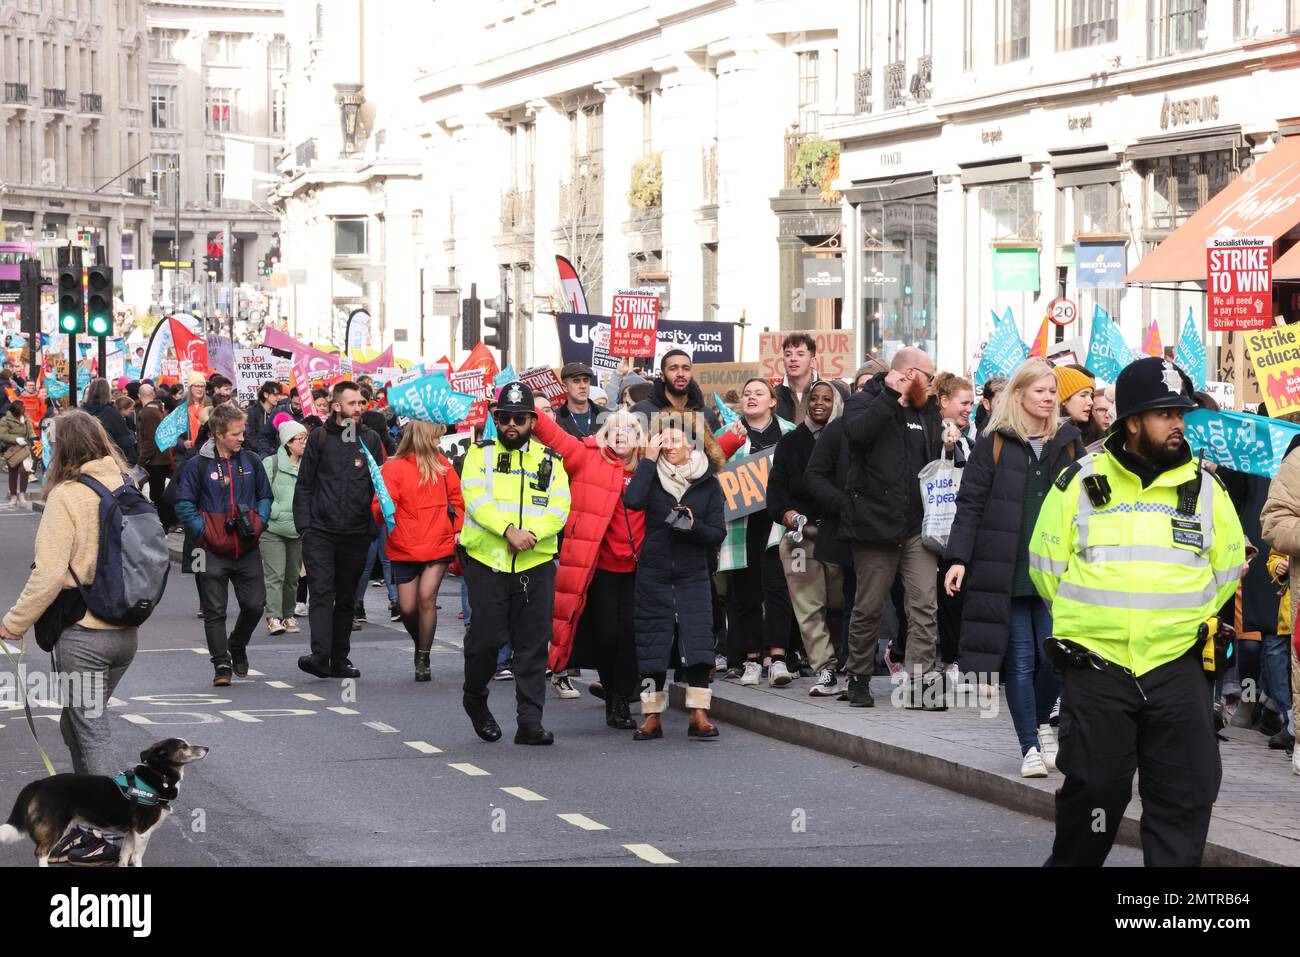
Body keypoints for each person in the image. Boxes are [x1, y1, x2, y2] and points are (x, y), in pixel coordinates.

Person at [1030, 357, 1246, 866]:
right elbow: (1046, 568)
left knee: (1185, 795)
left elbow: (1227, 570)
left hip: (1178, 666)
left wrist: (1171, 624)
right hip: (1097, 666)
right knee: (1093, 794)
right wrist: (1099, 622)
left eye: (1181, 413)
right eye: (1164, 413)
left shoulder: (1208, 491)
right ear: (1131, 422)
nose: (1178, 423)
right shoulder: (1078, 483)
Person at [0, 411, 141, 865]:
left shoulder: (67, 495)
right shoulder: (127, 485)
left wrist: (13, 623)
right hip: (125, 633)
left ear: (62, 447)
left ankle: (113, 834)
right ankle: (91, 826)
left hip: (84, 635)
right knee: (74, 724)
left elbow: (48, 575)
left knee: (90, 730)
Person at [944, 359, 1083, 777]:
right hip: (1005, 568)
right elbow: (970, 504)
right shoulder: (994, 443)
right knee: (1021, 661)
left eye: (1052, 391)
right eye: (1039, 390)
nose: (1048, 398)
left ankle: (1041, 724)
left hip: (1056, 571)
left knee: (1056, 658)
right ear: (1018, 394)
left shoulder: (1071, 441)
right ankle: (1029, 746)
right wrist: (957, 559)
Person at [458, 381, 571, 745]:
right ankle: (475, 699)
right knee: (486, 641)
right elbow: (474, 498)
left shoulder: (550, 460)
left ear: (532, 421)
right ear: (495, 417)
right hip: (488, 561)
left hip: (533, 564)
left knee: (533, 645)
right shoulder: (480, 454)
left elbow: (559, 507)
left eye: (520, 418)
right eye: (505, 417)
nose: (512, 424)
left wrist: (530, 535)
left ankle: (530, 721)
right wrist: (508, 530)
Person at [841, 347, 944, 709]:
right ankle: (858, 675)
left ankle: (920, 681)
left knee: (924, 605)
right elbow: (857, 436)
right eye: (928, 378)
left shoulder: (927, 410)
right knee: (869, 607)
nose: (932, 385)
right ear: (910, 373)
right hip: (875, 526)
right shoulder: (864, 401)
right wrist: (889, 395)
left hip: (917, 526)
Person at [534, 404, 646, 730]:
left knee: (631, 638)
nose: (622, 434)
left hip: (640, 570)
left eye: (629, 429)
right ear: (605, 436)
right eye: (615, 429)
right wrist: (531, 408)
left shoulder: (650, 469)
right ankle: (612, 693)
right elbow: (555, 436)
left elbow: (695, 465)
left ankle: (622, 701)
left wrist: (733, 440)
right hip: (602, 569)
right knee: (608, 636)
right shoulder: (587, 458)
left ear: (639, 438)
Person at [624, 409, 727, 739]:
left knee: (698, 645)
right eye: (663, 440)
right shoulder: (650, 475)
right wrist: (647, 461)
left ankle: (699, 713)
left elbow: (717, 534)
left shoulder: (709, 484)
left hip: (692, 573)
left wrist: (692, 526)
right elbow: (633, 500)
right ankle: (652, 715)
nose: (668, 445)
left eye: (675, 439)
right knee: (652, 645)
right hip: (654, 572)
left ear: (692, 444)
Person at [293, 380, 386, 680]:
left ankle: (339, 658)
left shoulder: (370, 439)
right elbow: (304, 485)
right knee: (321, 592)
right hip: (321, 531)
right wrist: (305, 527)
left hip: (357, 534)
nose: (358, 408)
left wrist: (372, 528)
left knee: (346, 598)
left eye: (361, 403)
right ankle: (320, 655)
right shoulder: (319, 438)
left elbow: (379, 487)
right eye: (352, 404)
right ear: (336, 406)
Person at [175, 402, 272, 686]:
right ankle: (221, 665)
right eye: (236, 434)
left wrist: (260, 522)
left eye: (243, 433)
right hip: (210, 550)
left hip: (247, 546)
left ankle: (238, 643)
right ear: (218, 433)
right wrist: (204, 531)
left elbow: (264, 495)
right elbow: (184, 505)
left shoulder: (252, 461)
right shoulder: (197, 465)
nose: (242, 438)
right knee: (215, 611)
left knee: (255, 605)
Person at [715, 378, 797, 685]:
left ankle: (777, 658)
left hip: (778, 524)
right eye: (747, 393)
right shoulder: (725, 434)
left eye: (759, 393)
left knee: (777, 589)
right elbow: (710, 471)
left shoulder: (790, 432)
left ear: (772, 401)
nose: (751, 397)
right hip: (740, 525)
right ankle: (751, 659)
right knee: (745, 591)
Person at [767, 380, 845, 696]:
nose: (819, 403)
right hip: (801, 538)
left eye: (827, 398)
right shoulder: (790, 443)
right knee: (808, 607)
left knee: (842, 602)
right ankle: (824, 669)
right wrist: (790, 516)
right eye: (814, 397)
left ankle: (845, 664)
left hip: (839, 535)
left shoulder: (848, 440)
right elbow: (774, 494)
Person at [378, 419, 464, 682]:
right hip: (404, 545)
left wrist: (458, 528)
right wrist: (381, 508)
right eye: (437, 438)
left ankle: (423, 656)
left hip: (437, 541)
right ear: (425, 438)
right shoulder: (394, 468)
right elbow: (382, 505)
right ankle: (421, 644)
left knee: (426, 597)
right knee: (406, 608)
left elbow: (458, 499)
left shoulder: (442, 465)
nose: (440, 443)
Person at [260, 416, 309, 637]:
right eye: (300, 438)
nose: (304, 442)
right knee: (275, 574)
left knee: (292, 577)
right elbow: (260, 493)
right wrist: (273, 512)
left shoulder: (308, 464)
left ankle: (288, 615)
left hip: (297, 528)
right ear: (288, 442)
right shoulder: (272, 463)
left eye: (306, 438)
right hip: (273, 528)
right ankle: (272, 617)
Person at [631, 350, 721, 431]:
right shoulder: (641, 411)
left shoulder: (707, 415)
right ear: (662, 376)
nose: (680, 374)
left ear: (691, 374)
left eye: (686, 369)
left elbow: (718, 448)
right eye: (673, 369)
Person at [81, 378, 138, 466]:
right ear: (107, 393)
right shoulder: (111, 415)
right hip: (109, 464)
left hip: (85, 463)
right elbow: (125, 442)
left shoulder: (81, 414)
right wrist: (131, 461)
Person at [136, 384, 170, 507]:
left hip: (155, 460)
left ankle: (164, 522)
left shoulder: (148, 413)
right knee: (158, 493)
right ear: (153, 394)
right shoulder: (158, 409)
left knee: (157, 495)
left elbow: (150, 440)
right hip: (161, 458)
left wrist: (142, 460)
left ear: (139, 396)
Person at [0, 397, 35, 506]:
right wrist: (16, 439)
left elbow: (31, 432)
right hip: (12, 449)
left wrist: (34, 437)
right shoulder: (5, 420)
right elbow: (3, 435)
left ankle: (22, 494)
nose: (23, 411)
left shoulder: (25, 419)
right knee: (13, 473)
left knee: (25, 471)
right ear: (15, 410)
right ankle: (14, 496)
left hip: (24, 448)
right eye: (21, 410)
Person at [1056, 365, 1098, 446]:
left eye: (1091, 396)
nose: (1091, 402)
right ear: (1063, 400)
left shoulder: (1095, 432)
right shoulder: (1047, 440)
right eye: (1083, 395)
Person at [557, 362, 597, 438]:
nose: (583, 386)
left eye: (586, 380)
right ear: (564, 387)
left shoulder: (606, 415)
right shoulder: (555, 418)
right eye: (576, 381)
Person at [245, 381, 283, 458]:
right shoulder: (251, 412)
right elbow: (249, 436)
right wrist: (264, 449)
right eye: (275, 394)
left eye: (279, 394)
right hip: (256, 454)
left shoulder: (280, 411)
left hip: (276, 454)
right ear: (266, 395)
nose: (278, 397)